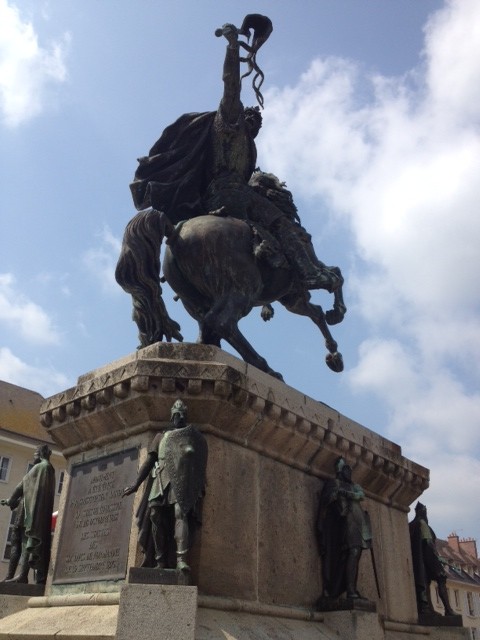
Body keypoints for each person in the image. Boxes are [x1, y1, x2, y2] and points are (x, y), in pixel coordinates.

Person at [129, 16, 338, 291]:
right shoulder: (229, 123)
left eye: (255, 123)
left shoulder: (247, 147)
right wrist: (232, 49)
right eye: (249, 118)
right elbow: (231, 85)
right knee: (284, 224)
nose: (252, 123)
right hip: (230, 194)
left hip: (219, 196)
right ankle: (310, 272)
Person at [123, 399, 207, 573]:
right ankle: (160, 559)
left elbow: (197, 464)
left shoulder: (192, 437)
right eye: (176, 414)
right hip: (161, 480)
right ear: (171, 416)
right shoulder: (161, 436)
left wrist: (199, 484)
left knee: (180, 513)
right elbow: (149, 461)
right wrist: (136, 484)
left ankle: (181, 560)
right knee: (155, 515)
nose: (180, 417)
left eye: (182, 414)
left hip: (182, 480)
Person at [317, 457, 372, 600]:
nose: (349, 472)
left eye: (349, 469)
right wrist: (338, 494)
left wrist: (346, 493)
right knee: (352, 552)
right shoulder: (334, 483)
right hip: (347, 522)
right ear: (340, 471)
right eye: (346, 469)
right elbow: (328, 500)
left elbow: (360, 495)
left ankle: (347, 588)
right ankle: (349, 589)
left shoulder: (353, 486)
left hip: (358, 522)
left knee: (355, 554)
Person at [1, 444, 55, 584]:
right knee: (20, 542)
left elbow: (21, 486)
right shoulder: (49, 469)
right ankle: (14, 576)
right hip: (32, 512)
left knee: (21, 542)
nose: (34, 456)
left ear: (41, 453)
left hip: (27, 512)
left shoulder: (40, 467)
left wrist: (10, 501)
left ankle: (18, 576)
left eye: (36, 453)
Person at [409, 502, 455, 616]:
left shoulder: (412, 525)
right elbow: (429, 543)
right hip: (429, 557)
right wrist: (436, 558)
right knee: (441, 578)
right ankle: (448, 610)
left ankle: (428, 608)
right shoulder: (422, 524)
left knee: (426, 582)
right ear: (422, 512)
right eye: (425, 511)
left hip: (420, 561)